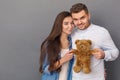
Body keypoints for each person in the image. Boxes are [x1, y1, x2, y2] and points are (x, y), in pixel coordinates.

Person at [70, 3, 119, 80]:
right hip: (75, 78)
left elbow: (115, 52)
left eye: (82, 18)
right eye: (75, 19)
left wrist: (104, 54)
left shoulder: (101, 32)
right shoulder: (71, 33)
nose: (79, 22)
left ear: (88, 15)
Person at [39, 11, 74, 80]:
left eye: (72, 23)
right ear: (59, 24)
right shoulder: (49, 44)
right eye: (66, 24)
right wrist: (62, 60)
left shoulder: (73, 42)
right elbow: (45, 69)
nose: (70, 26)